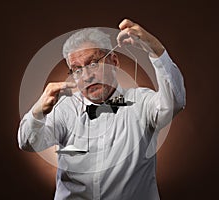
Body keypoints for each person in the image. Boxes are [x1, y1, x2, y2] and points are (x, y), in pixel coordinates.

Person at [18, 19, 186, 200]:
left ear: (114, 61)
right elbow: (28, 142)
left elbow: (175, 101)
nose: (87, 76)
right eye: (77, 70)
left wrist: (156, 49)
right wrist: (37, 112)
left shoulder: (141, 102)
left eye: (93, 64)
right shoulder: (64, 108)